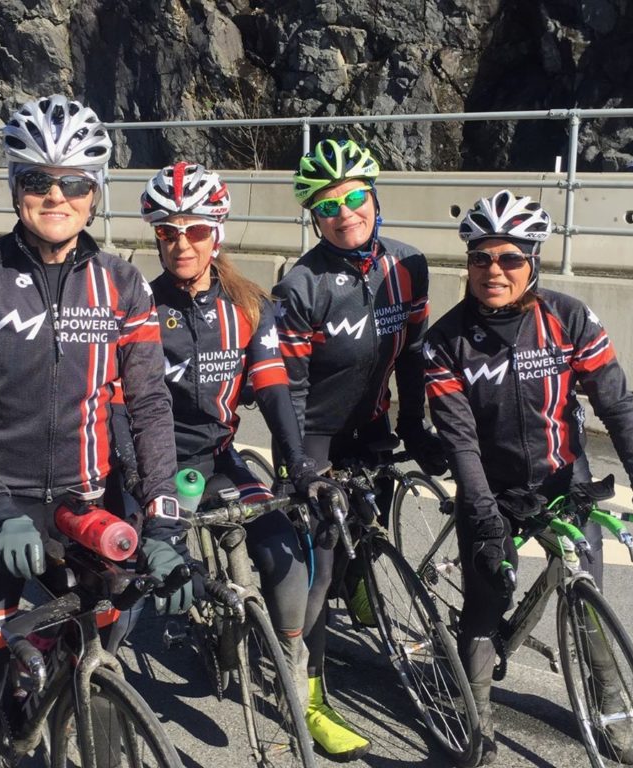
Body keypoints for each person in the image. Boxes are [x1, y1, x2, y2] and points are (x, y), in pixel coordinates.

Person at [0, 94, 187, 768]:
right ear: (15, 186)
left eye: (73, 181)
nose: (54, 195)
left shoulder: (124, 284)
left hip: (85, 510)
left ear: (94, 193)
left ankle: (51, 689)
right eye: (37, 179)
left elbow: (151, 406)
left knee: (94, 668)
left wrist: (163, 522)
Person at [423, 188, 633, 764]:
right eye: (481, 258)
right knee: (486, 604)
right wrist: (480, 513)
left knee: (588, 591)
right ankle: (477, 706)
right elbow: (459, 441)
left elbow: (616, 405)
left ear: (533, 261)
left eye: (509, 258)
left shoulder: (568, 317)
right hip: (493, 488)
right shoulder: (444, 341)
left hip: (565, 482)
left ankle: (611, 703)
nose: (493, 271)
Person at [135, 160, 344, 709]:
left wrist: (298, 466)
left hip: (220, 457)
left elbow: (274, 392)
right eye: (168, 232)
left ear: (216, 234)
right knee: (154, 580)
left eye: (197, 230)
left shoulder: (250, 306)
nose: (183, 244)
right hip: (160, 465)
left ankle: (293, 663)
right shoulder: (138, 309)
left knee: (283, 551)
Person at [272, 138, 446, 761]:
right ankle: (308, 694)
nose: (345, 213)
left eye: (354, 198)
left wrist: (418, 426)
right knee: (315, 569)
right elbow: (286, 387)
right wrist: (298, 462)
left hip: (372, 424)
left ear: (374, 198)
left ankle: (360, 579)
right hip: (313, 432)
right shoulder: (302, 284)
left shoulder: (409, 265)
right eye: (327, 207)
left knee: (368, 520)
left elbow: (416, 354)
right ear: (314, 218)